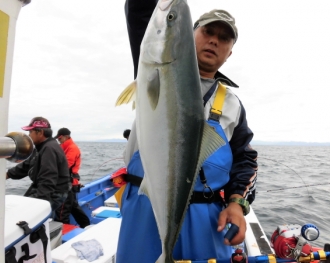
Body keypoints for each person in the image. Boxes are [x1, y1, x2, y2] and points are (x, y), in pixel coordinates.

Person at [116, 5, 258, 262]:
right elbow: (141, 13)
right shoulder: (151, 68)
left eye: (224, 37)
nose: (214, 40)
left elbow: (244, 159)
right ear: (190, 34)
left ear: (230, 52)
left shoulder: (233, 105)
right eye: (208, 31)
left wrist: (237, 202)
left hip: (207, 220)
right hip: (145, 206)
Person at [6, 117, 71, 219]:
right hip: (42, 188)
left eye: (30, 132)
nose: (29, 135)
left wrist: (39, 205)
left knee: (23, 214)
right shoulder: (41, 147)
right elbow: (27, 165)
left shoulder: (49, 149)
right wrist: (8, 174)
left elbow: (48, 178)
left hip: (54, 192)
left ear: (40, 132)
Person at [54, 128, 90, 228]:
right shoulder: (63, 147)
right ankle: (86, 225)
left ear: (66, 137)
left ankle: (62, 234)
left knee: (62, 211)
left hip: (67, 184)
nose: (59, 140)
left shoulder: (72, 148)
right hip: (69, 183)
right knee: (73, 207)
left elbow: (65, 166)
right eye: (58, 139)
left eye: (60, 138)